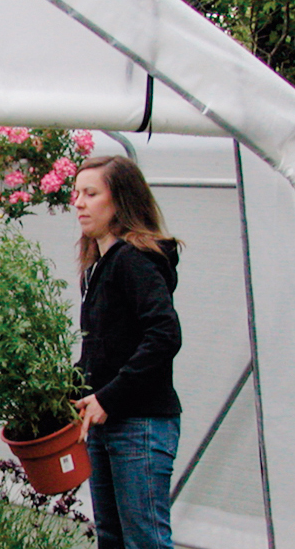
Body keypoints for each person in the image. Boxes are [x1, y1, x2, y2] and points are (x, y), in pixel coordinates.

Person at [70, 155, 183, 549]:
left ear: (119, 201)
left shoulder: (134, 261)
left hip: (140, 423)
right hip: (106, 424)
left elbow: (164, 336)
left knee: (145, 541)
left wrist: (109, 397)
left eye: (91, 193)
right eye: (77, 193)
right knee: (113, 539)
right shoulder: (99, 266)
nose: (79, 203)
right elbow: (103, 350)